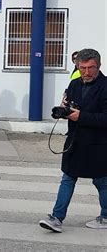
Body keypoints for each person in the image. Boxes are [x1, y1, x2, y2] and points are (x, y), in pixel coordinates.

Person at [39, 48, 107, 232]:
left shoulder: (105, 86)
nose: (86, 72)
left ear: (98, 66)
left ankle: (106, 216)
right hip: (75, 142)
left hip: (98, 144)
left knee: (101, 181)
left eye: (90, 68)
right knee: (67, 178)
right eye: (82, 68)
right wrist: (64, 110)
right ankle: (56, 218)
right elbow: (71, 109)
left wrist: (81, 116)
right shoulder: (74, 85)